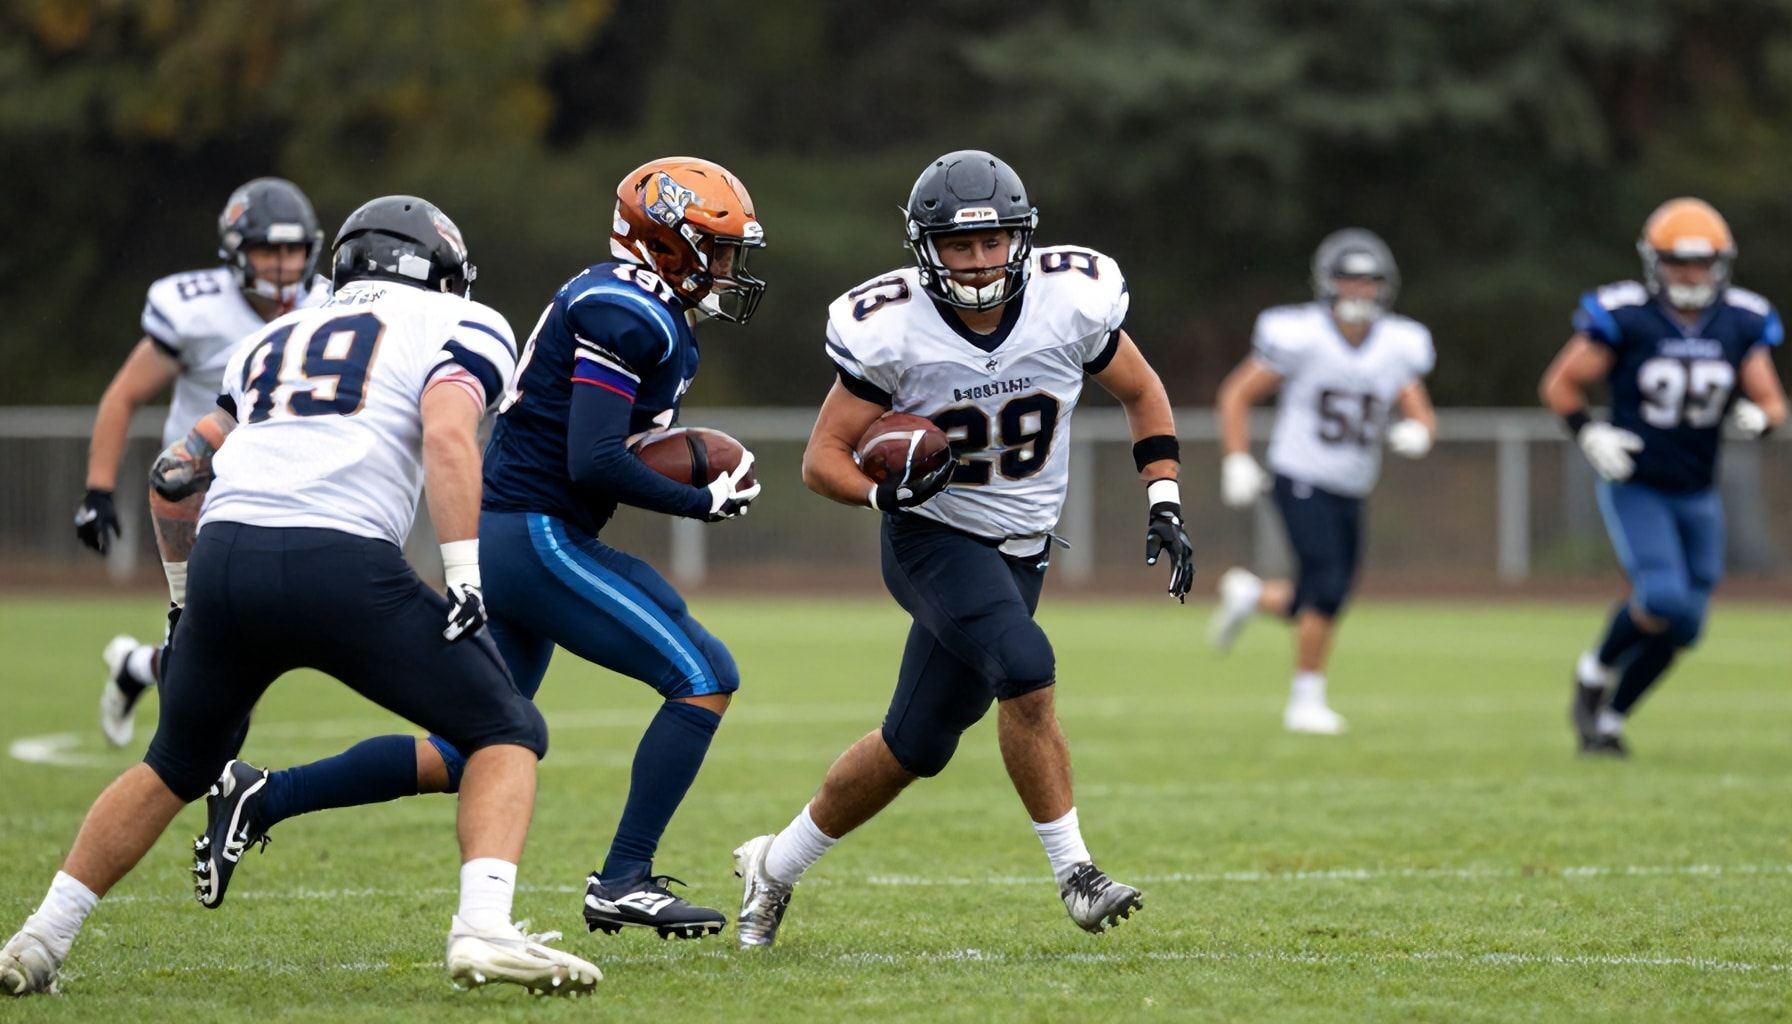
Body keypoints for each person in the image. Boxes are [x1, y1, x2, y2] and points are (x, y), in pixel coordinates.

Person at [1, 195, 601, 997]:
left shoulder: (267, 340)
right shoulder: (461, 323)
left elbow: (174, 475)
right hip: (341, 563)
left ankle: (38, 941)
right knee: (505, 730)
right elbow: (449, 433)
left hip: (227, 556)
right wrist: (464, 576)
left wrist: (183, 604)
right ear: (438, 270)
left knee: (175, 764)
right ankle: (483, 929)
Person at [187, 158, 766, 941]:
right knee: (704, 675)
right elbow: (592, 459)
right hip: (533, 534)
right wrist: (700, 498)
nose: (727, 268)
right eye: (716, 248)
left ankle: (267, 794)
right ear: (665, 242)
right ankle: (624, 877)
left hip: (523, 533)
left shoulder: (640, 304)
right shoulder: (624, 309)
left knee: (471, 747)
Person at [731, 150, 1193, 949]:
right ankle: (1077, 874)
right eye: (958, 245)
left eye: (993, 242)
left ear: (1021, 239)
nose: (979, 261)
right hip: (932, 535)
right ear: (924, 249)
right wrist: (884, 494)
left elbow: (1142, 389)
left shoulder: (1070, 303)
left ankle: (773, 864)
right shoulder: (891, 328)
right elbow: (820, 462)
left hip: (1022, 549)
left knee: (914, 746)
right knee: (1025, 665)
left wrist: (1164, 498)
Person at [78, 177, 332, 749]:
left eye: (293, 249)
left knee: (239, 644)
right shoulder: (194, 309)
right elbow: (123, 395)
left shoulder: (328, 306)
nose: (284, 263)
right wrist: (97, 491)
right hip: (199, 490)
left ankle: (139, 668)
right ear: (236, 249)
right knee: (229, 653)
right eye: (269, 248)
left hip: (277, 487)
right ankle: (205, 773)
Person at [1540, 197, 1786, 756]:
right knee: (1664, 597)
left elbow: (1773, 402)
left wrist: (1763, 419)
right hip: (1638, 482)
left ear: (1721, 264)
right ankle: (1594, 669)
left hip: (1699, 490)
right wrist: (1587, 432)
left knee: (1687, 627)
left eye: (1701, 263)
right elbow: (1559, 384)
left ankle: (1610, 720)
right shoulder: (1626, 314)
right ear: (1655, 263)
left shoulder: (1741, 320)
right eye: (1678, 262)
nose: (1690, 274)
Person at [1207, 229, 1437, 735]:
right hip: (1300, 475)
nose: (1358, 291)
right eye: (1348, 280)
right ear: (1328, 284)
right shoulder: (1300, 334)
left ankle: (1250, 596)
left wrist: (1419, 431)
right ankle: (1304, 700)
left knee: (1324, 592)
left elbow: (1420, 410)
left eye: (1367, 281)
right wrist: (1237, 458)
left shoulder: (1398, 344)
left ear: (1384, 287)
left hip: (1352, 484)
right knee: (1328, 586)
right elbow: (1236, 394)